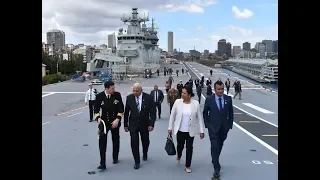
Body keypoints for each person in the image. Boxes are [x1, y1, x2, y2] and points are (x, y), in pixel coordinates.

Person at [168, 86, 205, 173]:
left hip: (190, 131)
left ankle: (188, 165)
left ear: (189, 94)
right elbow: (172, 115)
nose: (182, 94)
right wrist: (170, 127)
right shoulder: (178, 102)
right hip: (180, 130)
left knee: (189, 148)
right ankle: (179, 155)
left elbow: (200, 118)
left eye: (184, 93)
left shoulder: (195, 104)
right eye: (182, 93)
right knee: (180, 146)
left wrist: (201, 131)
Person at [203, 80, 234, 179]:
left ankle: (214, 158)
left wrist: (229, 126)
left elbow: (231, 113)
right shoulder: (209, 99)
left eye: (222, 89)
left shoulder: (228, 99)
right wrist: (207, 124)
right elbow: (205, 113)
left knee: (220, 145)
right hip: (213, 128)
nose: (220, 91)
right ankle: (216, 167)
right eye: (218, 89)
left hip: (224, 128)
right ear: (214, 89)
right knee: (214, 146)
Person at [124, 83, 156, 169]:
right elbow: (126, 112)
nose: (134, 92)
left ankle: (145, 152)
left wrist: (151, 124)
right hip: (133, 124)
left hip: (145, 123)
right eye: (133, 90)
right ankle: (136, 161)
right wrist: (125, 125)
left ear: (141, 90)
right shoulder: (129, 98)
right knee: (134, 142)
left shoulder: (148, 98)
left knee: (145, 141)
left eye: (136, 91)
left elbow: (153, 112)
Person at [94, 81, 124, 170]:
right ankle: (102, 163)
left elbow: (121, 108)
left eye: (114, 88)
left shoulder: (117, 95)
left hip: (115, 122)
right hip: (104, 123)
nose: (114, 90)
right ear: (106, 88)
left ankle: (115, 157)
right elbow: (95, 109)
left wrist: (117, 119)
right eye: (112, 88)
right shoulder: (99, 96)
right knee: (102, 143)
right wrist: (98, 118)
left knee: (116, 140)